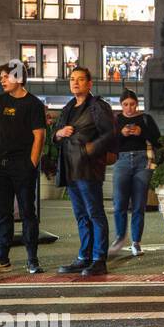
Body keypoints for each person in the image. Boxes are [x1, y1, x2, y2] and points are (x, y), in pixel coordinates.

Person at [0, 63, 47, 275]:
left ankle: (32, 259)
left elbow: (39, 135)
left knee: (28, 213)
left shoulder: (33, 104)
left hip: (22, 167)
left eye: (6, 76)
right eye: (1, 77)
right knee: (3, 214)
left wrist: (31, 164)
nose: (2, 80)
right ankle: (2, 259)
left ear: (19, 78)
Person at [54, 66, 117, 276]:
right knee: (81, 215)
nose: (75, 83)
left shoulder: (97, 107)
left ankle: (99, 259)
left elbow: (110, 134)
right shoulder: (68, 107)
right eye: (72, 79)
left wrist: (91, 149)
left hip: (88, 168)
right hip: (70, 167)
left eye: (80, 79)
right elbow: (54, 136)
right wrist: (59, 133)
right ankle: (84, 257)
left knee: (95, 213)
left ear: (89, 84)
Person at [110, 90, 161, 257]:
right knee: (119, 203)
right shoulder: (116, 120)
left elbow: (157, 139)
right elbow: (108, 141)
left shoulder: (145, 119)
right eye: (125, 104)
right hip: (121, 161)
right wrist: (120, 133)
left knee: (139, 204)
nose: (129, 108)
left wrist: (142, 132)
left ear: (137, 104)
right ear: (121, 105)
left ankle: (136, 242)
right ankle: (120, 237)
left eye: (132, 104)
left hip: (142, 161)